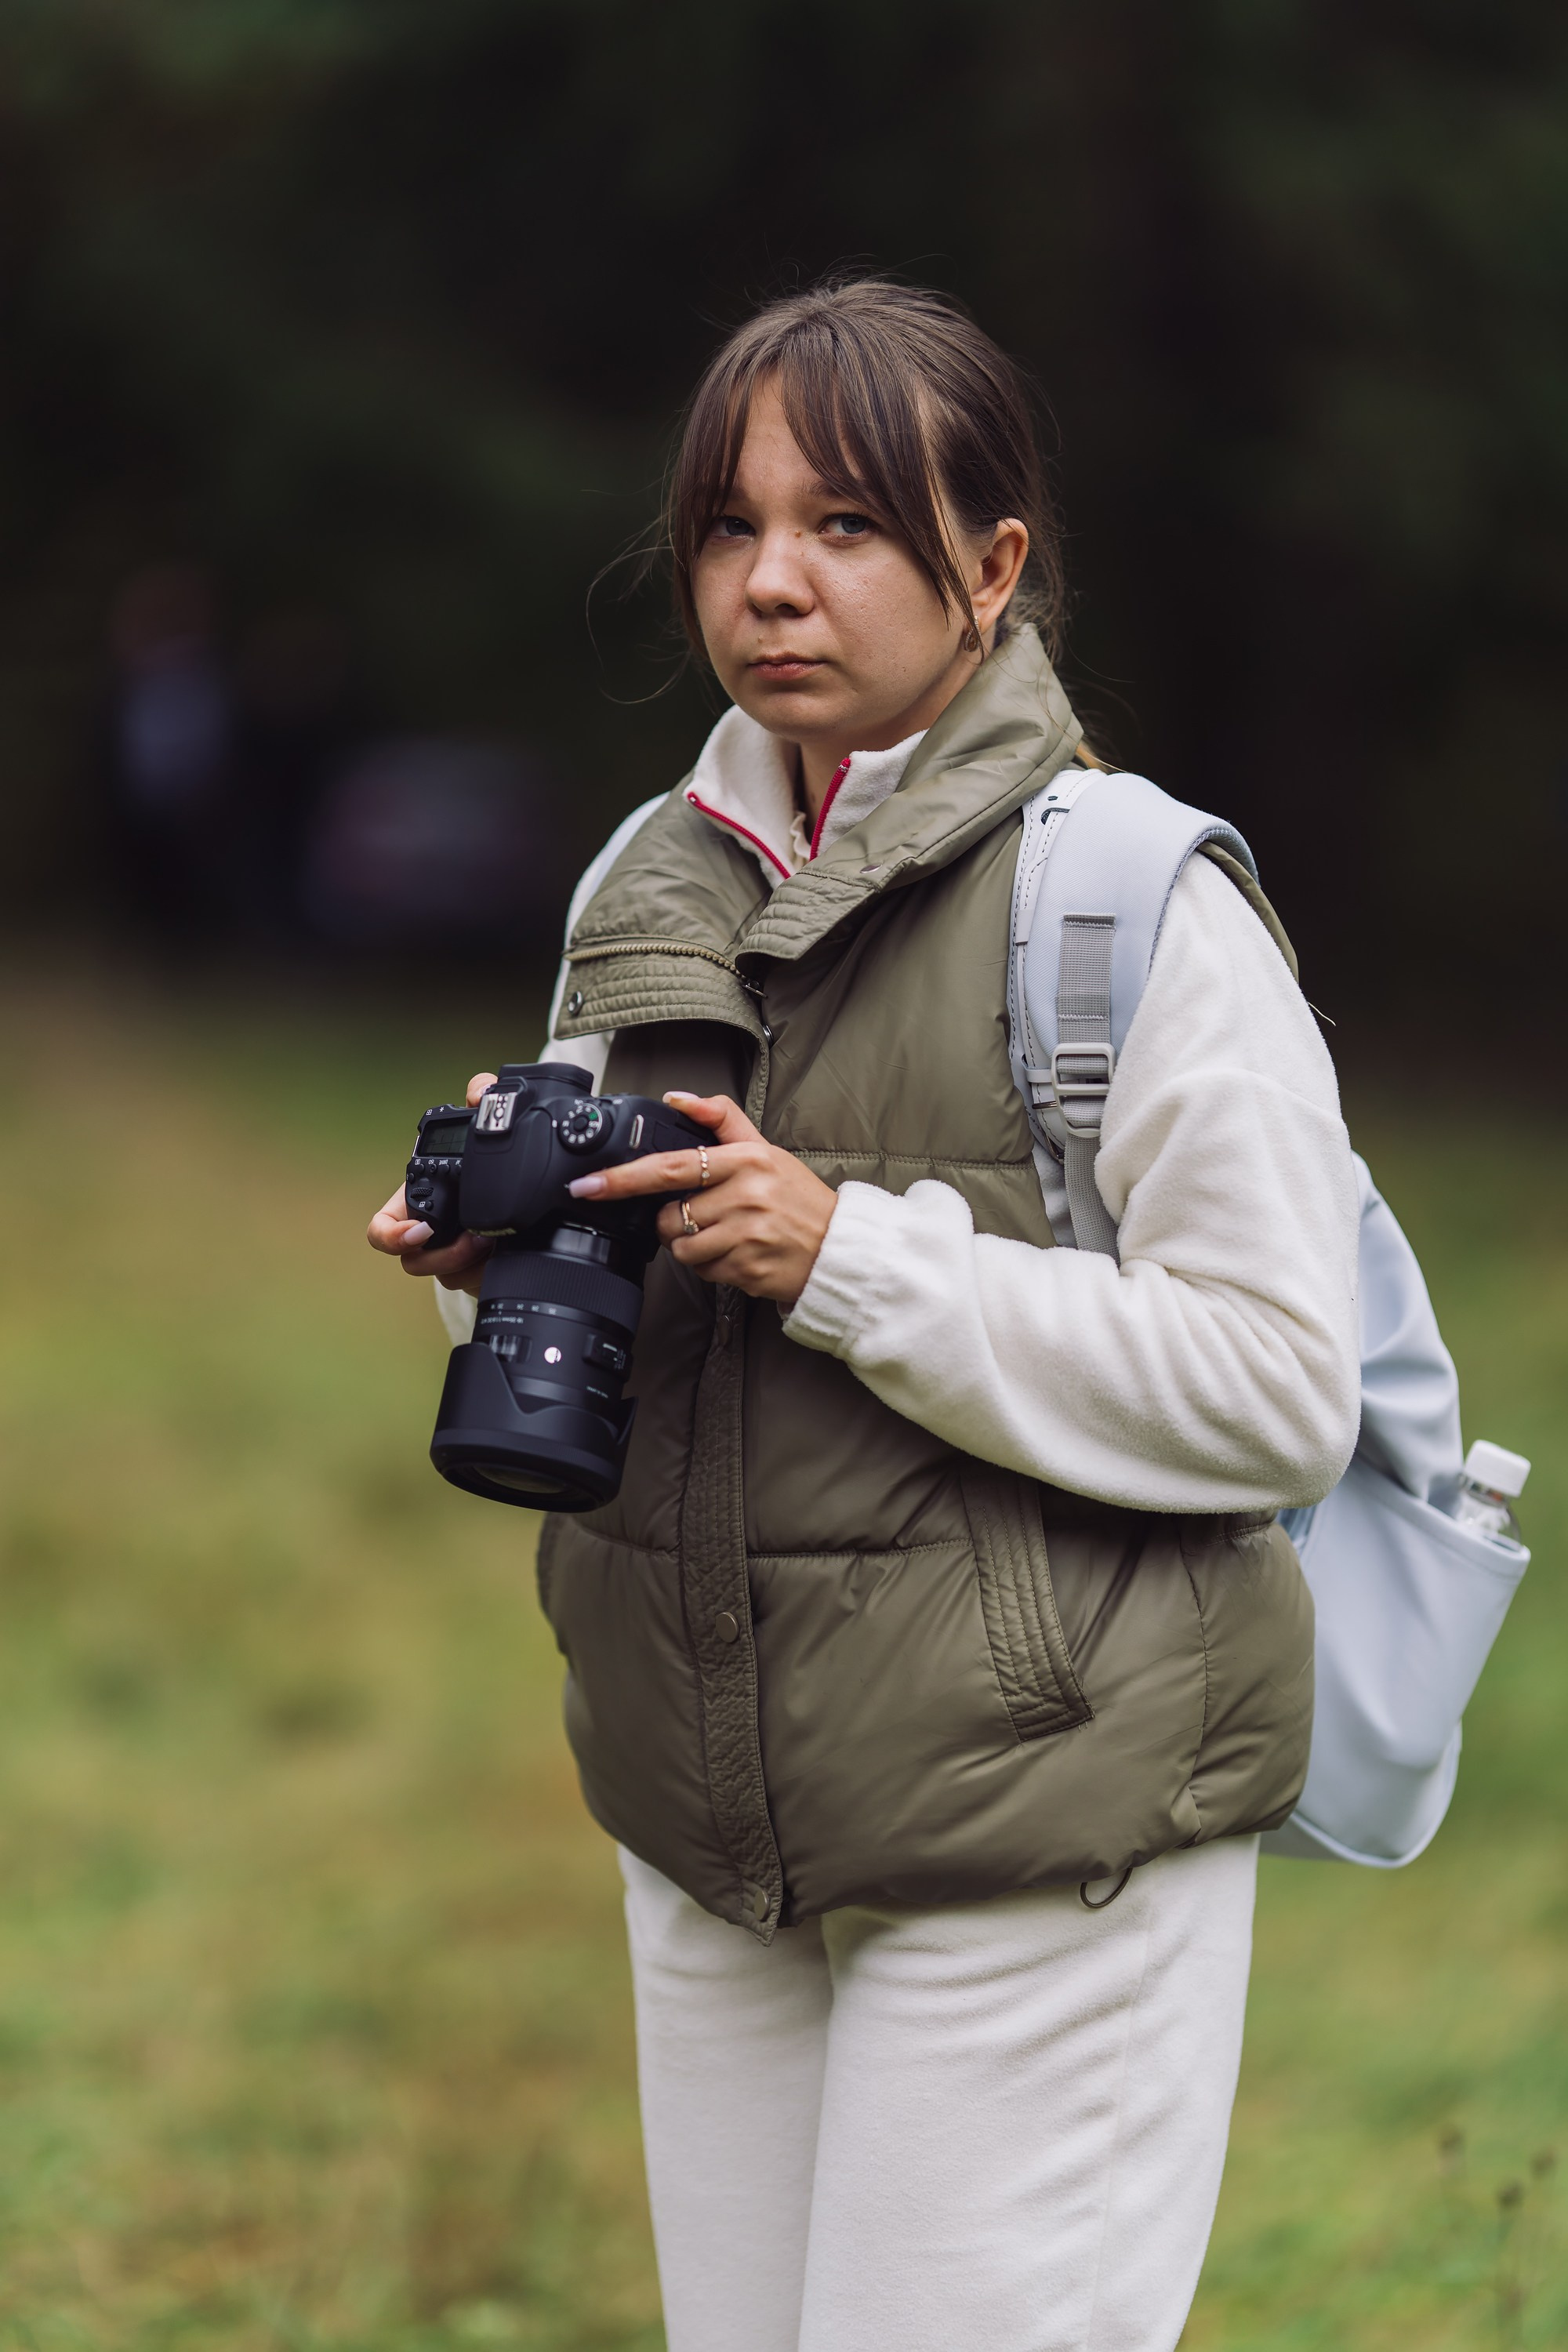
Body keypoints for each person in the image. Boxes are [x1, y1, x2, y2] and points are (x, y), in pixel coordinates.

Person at [368, 279, 1359, 2352]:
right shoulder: (647, 884)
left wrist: (851, 1259)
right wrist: (502, 1271)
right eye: (729, 527)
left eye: (845, 525)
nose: (771, 582)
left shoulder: (1131, 901)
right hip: (711, 1820)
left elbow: (1283, 1392)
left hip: (1044, 1822)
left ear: (990, 566)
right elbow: (640, 1359)